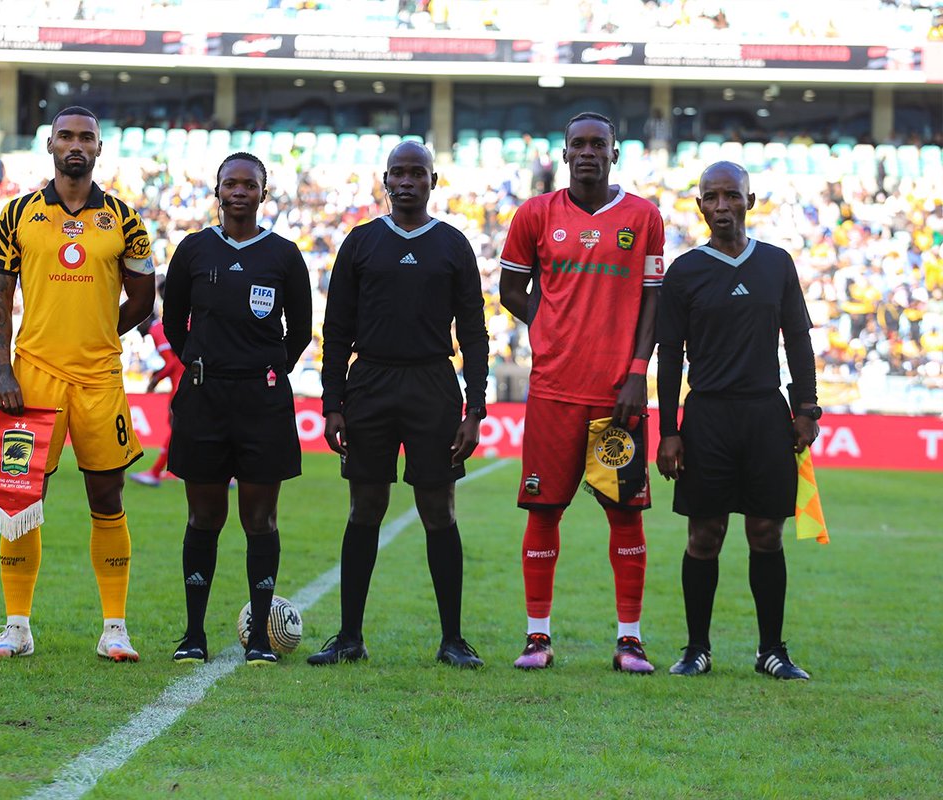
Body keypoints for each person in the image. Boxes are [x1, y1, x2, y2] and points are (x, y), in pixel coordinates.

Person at [0, 106, 156, 661]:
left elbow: (144, 299)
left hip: (100, 378)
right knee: (19, 498)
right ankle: (16, 627)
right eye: (65, 136)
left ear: (99, 148)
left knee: (107, 496)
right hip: (32, 376)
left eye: (86, 137)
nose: (75, 144)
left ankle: (114, 629)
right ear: (50, 145)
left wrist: (101, 333)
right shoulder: (17, 214)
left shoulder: (125, 219)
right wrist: (3, 370)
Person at [308, 141, 489, 669]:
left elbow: (473, 332)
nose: (407, 181)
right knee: (365, 507)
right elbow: (336, 329)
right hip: (370, 383)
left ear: (434, 181)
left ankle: (453, 640)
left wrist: (475, 409)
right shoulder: (361, 242)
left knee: (439, 510)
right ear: (385, 180)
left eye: (417, 173)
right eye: (398, 173)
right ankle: (349, 637)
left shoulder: (453, 244)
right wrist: (333, 403)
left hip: (433, 384)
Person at [498, 112, 665, 673]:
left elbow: (654, 299)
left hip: (618, 393)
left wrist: (638, 372)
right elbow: (510, 288)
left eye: (599, 144)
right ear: (565, 153)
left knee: (626, 515)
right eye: (579, 144)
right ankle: (537, 637)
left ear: (614, 153)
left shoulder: (643, 217)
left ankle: (629, 641)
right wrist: (548, 326)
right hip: (554, 390)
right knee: (544, 509)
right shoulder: (535, 214)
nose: (588, 152)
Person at [656, 161, 819, 680]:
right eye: (712, 197)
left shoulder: (776, 263)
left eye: (731, 196)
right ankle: (696, 650)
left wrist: (806, 408)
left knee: (766, 533)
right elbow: (669, 355)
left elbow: (798, 339)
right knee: (704, 534)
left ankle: (772, 650)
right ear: (699, 204)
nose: (721, 206)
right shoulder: (685, 271)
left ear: (750, 201)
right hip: (707, 415)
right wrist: (669, 431)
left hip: (766, 414)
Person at [162, 152, 311, 666]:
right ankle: (193, 634)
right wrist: (202, 363)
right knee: (203, 516)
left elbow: (300, 330)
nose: (240, 192)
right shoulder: (193, 249)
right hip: (204, 398)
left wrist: (265, 369)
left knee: (259, 518)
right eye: (231, 183)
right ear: (217, 191)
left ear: (263, 193)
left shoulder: (284, 255)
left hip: (262, 402)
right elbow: (174, 322)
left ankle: (261, 639)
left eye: (250, 184)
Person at [129, 278, 183, 487]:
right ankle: (174, 469)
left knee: (177, 426)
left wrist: (156, 379)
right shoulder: (187, 320)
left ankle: (155, 472)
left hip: (182, 384)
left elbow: (176, 362)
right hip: (190, 381)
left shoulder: (160, 328)